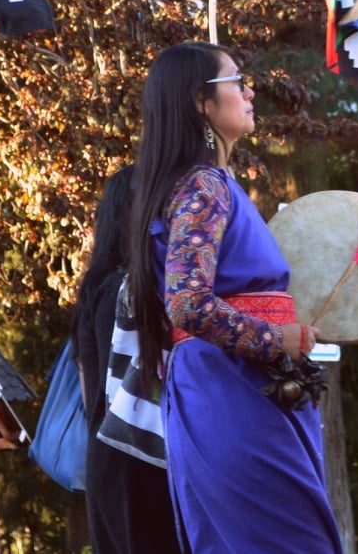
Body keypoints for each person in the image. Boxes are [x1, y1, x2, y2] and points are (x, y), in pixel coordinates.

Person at [123, 42, 339, 554]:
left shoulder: (211, 184)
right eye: (237, 81)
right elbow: (187, 303)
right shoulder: (204, 185)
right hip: (232, 382)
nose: (249, 91)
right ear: (202, 101)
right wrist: (275, 339)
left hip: (239, 381)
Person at [73, 164, 176, 554]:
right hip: (139, 459)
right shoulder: (131, 293)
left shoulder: (95, 289)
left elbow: (90, 396)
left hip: (107, 460)